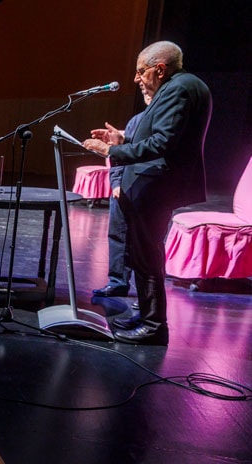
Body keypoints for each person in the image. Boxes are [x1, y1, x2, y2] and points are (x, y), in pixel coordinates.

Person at [83, 41, 212, 345]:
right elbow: (161, 133)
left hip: (157, 185)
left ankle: (154, 326)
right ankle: (146, 317)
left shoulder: (178, 89)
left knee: (146, 256)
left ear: (160, 68)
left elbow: (163, 143)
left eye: (141, 72)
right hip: (155, 183)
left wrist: (113, 149)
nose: (137, 79)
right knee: (143, 255)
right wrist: (124, 136)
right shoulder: (180, 86)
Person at [91, 94, 152, 300]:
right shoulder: (136, 120)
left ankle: (147, 296)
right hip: (125, 186)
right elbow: (119, 153)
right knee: (118, 235)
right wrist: (117, 182)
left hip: (147, 188)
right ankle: (117, 282)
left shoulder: (161, 123)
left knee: (146, 244)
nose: (147, 95)